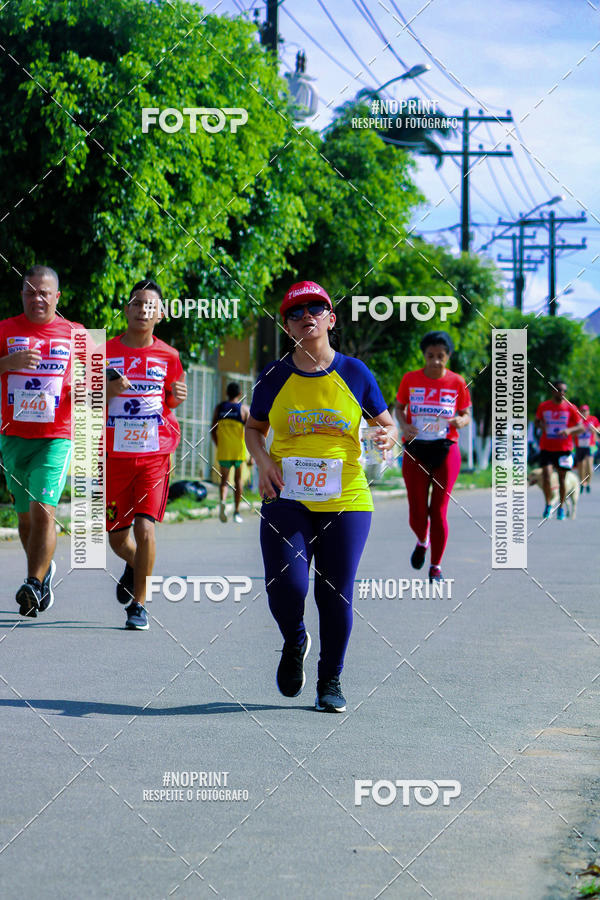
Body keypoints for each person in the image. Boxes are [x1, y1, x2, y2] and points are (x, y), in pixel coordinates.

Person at [245, 281, 397, 713]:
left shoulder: (355, 373)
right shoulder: (274, 376)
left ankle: (330, 680)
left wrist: (386, 436)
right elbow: (254, 428)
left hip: (346, 498)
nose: (306, 316)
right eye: (295, 312)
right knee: (286, 586)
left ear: (331, 319)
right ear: (287, 326)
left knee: (334, 593)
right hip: (285, 494)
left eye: (316, 308)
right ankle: (295, 640)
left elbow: (386, 424)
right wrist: (263, 462)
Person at [0, 265, 86, 617]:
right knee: (24, 520)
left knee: (43, 511)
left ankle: (33, 584)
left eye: (44, 293)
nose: (37, 298)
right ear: (22, 295)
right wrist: (9, 362)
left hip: (56, 436)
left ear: (57, 297)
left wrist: (81, 390)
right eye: (30, 292)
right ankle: (43, 572)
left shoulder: (76, 333)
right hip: (13, 437)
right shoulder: (5, 329)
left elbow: (95, 381)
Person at [105, 280, 187, 630]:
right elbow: (83, 401)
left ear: (161, 314)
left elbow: (171, 399)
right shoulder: (104, 351)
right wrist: (108, 390)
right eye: (137, 303)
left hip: (154, 455)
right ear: (127, 309)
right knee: (116, 538)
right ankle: (135, 564)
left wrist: (177, 396)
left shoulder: (169, 356)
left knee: (145, 527)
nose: (142, 310)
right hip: (113, 457)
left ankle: (139, 605)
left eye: (150, 306)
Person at [395, 331, 471, 582]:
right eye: (430, 356)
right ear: (424, 356)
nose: (436, 361)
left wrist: (460, 421)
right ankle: (422, 540)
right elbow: (399, 408)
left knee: (438, 512)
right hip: (415, 449)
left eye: (441, 356)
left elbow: (466, 414)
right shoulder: (410, 379)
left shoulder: (457, 382)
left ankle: (436, 566)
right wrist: (404, 426)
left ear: (448, 356)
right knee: (417, 513)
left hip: (445, 449)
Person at [535, 380, 583, 520]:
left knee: (562, 480)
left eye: (564, 391)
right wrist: (542, 426)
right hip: (547, 447)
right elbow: (537, 422)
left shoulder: (571, 408)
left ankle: (561, 507)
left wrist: (569, 430)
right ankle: (548, 504)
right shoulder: (544, 406)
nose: (562, 393)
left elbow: (581, 427)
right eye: (559, 390)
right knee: (546, 476)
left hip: (564, 449)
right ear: (553, 390)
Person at [211, 382, 249, 524]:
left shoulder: (219, 408)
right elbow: (251, 432)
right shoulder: (243, 410)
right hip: (238, 450)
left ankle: (223, 501)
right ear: (239, 394)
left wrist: (219, 444)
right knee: (238, 480)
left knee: (224, 481)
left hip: (224, 449)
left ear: (226, 393)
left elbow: (213, 429)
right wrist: (252, 456)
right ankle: (237, 512)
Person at [575, 404, 600, 493]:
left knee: (589, 464)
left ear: (588, 412)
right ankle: (582, 482)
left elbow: (598, 428)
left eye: (585, 411)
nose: (584, 413)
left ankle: (588, 483)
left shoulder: (593, 419)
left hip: (590, 445)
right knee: (581, 465)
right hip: (579, 445)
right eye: (582, 411)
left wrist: (594, 430)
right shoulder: (577, 419)